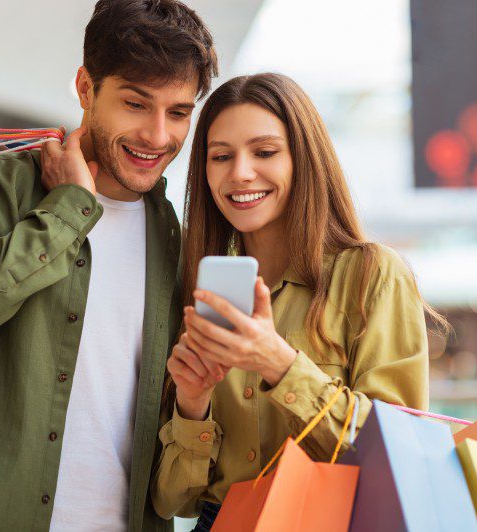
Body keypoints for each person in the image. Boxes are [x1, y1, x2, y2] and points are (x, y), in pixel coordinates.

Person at [0, 1, 218, 530]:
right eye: (136, 104)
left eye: (179, 112)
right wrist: (67, 211)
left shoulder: (175, 241)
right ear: (86, 87)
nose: (158, 136)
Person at [151, 73, 443, 531]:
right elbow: (173, 501)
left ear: (304, 160)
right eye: (221, 156)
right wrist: (193, 405)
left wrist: (280, 364)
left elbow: (400, 451)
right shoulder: (200, 290)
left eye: (265, 152)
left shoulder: (371, 274)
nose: (240, 172)